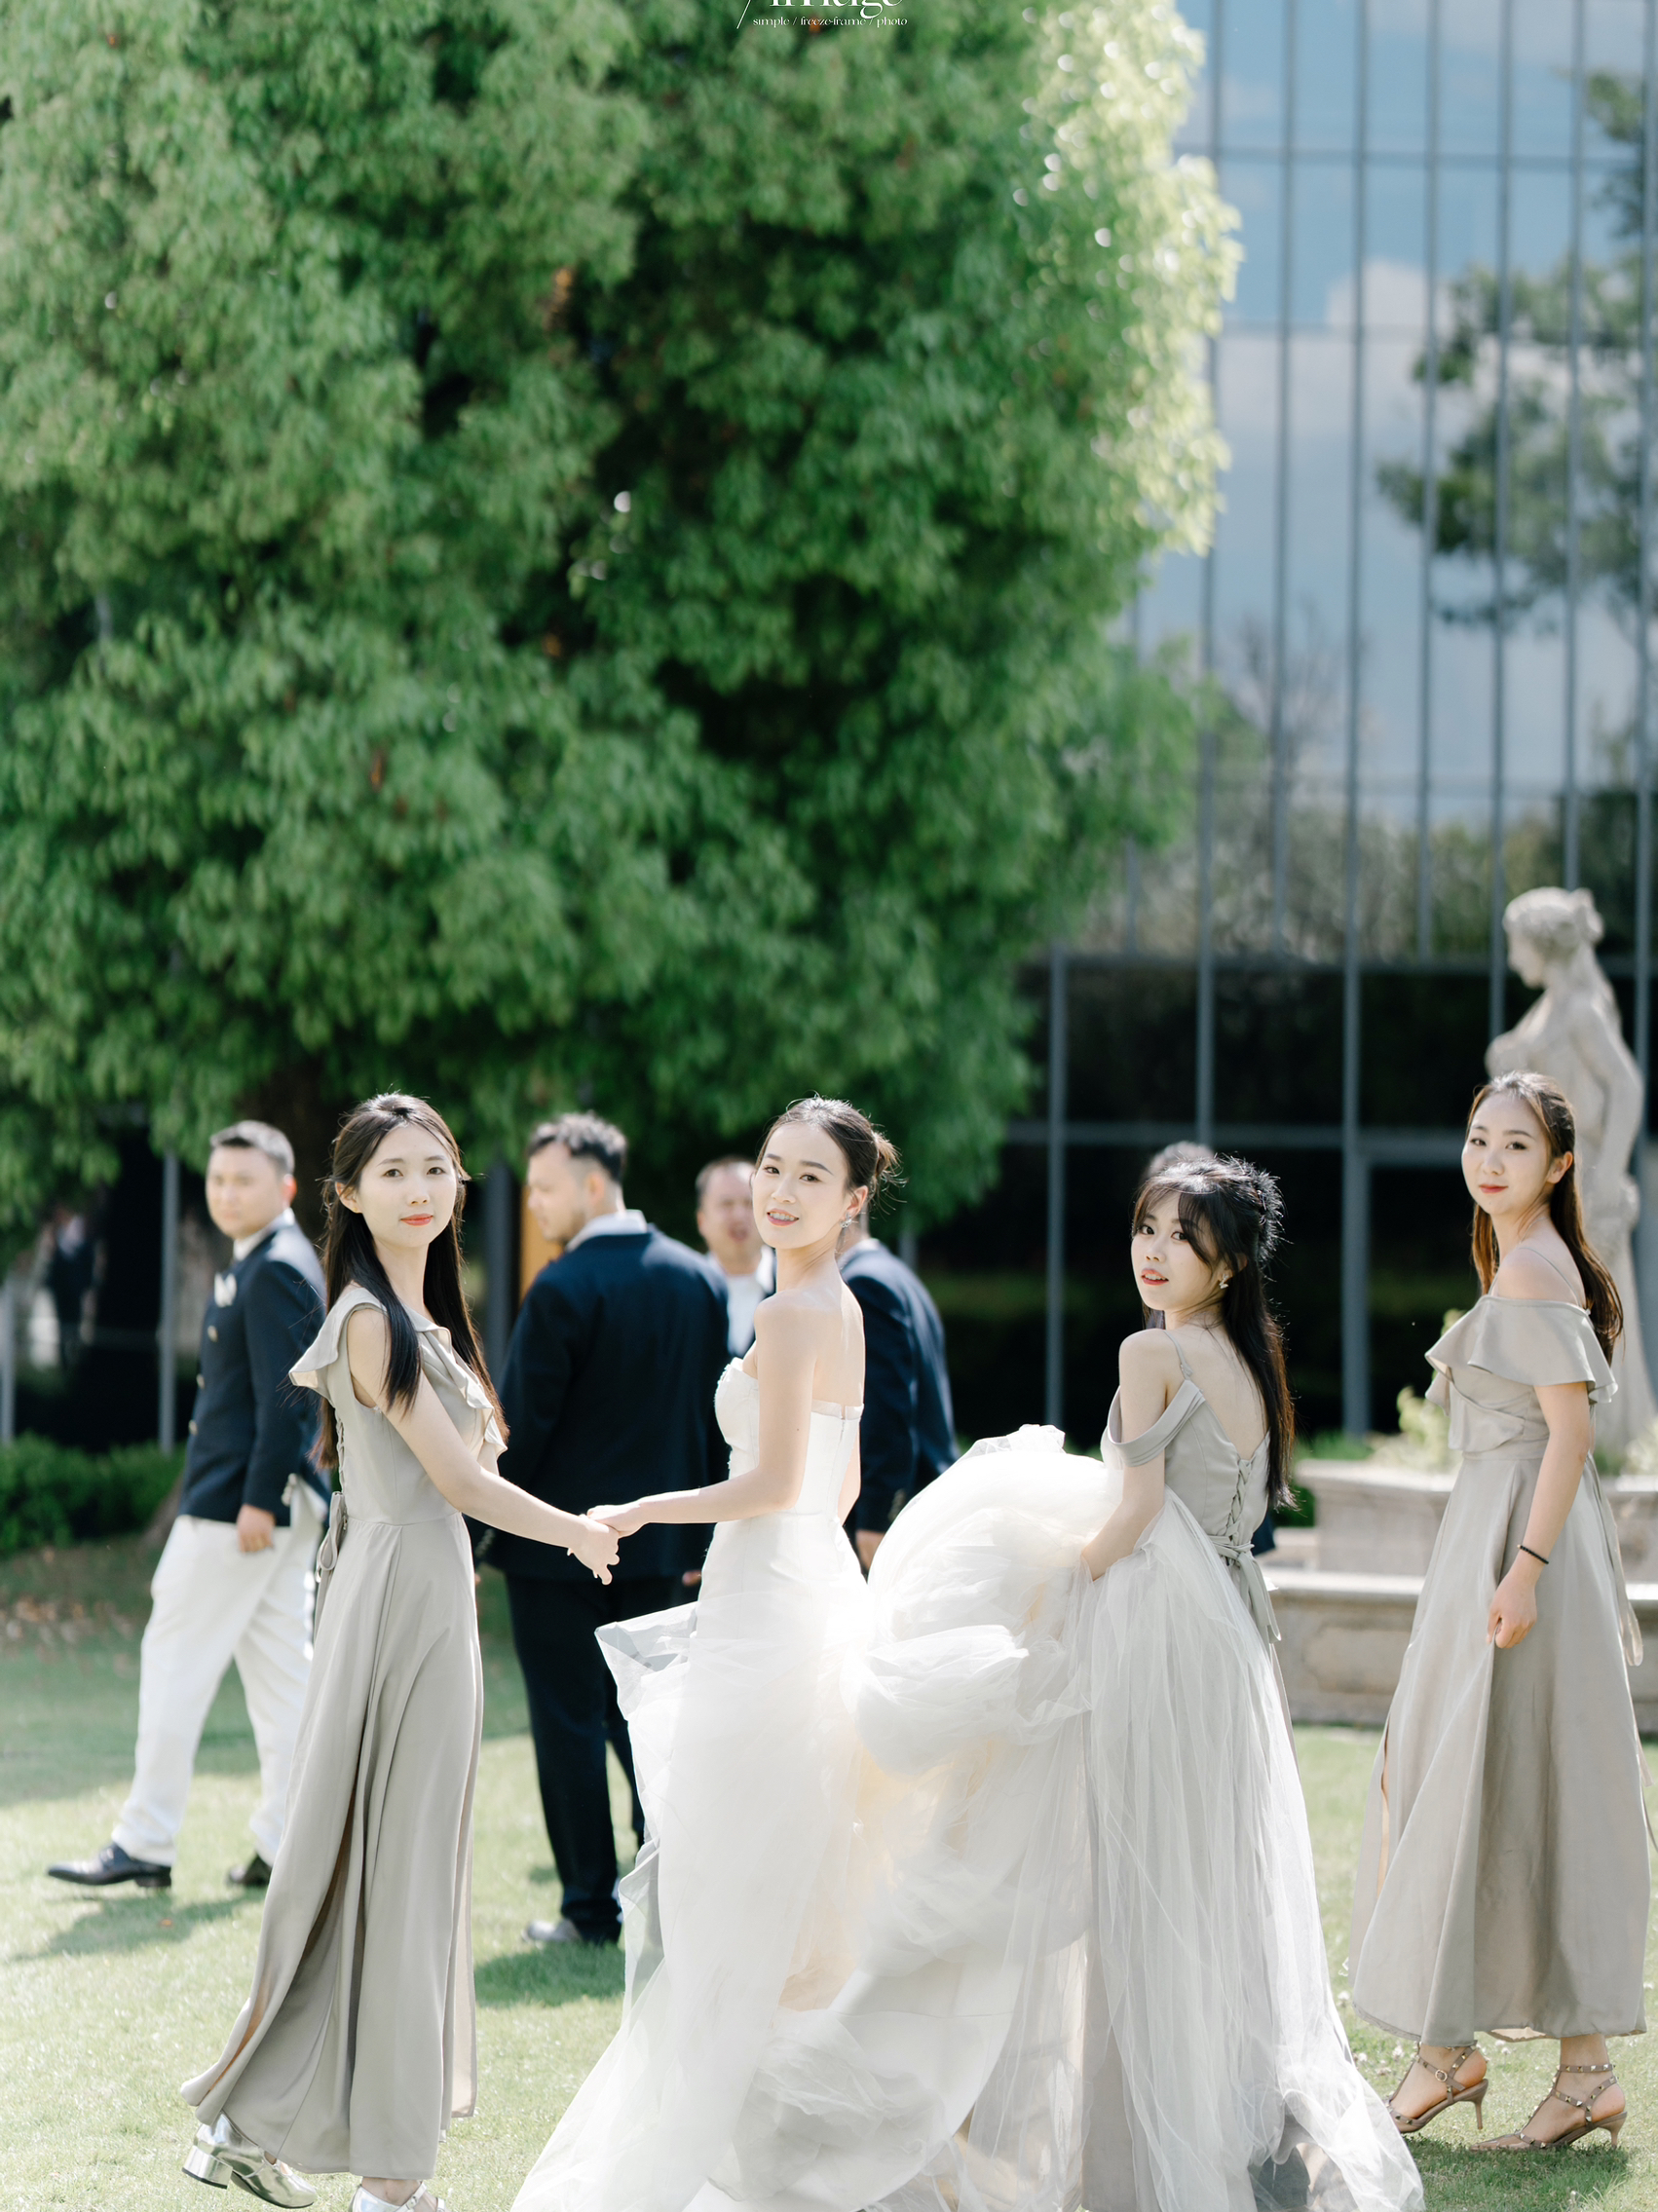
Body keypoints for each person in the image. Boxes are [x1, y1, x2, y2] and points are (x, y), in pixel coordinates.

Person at [181, 1093, 619, 2212]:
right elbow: (460, 1484)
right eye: (392, 1172)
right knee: (392, 1875)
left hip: (424, 1593)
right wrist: (574, 1531)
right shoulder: (369, 1320)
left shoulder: (424, 1316)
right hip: (399, 1602)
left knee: (408, 1875)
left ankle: (333, 2149)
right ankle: (371, 2169)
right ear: (347, 1195)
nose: (419, 1189)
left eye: (434, 1168)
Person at [510, 1096, 881, 2212]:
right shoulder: (838, 1304)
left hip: (767, 1590)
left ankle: (734, 2123)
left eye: (809, 1177)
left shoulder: (790, 1313)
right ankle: (777, 2117)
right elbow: (839, 1486)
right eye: (770, 1168)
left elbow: (771, 1482)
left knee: (734, 1864)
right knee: (788, 1858)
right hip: (808, 1579)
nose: (778, 1192)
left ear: (853, 1200)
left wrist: (642, 1508)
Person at [1351, 1072, 1648, 2155]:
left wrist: (1521, 1572)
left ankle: (1471, 2058)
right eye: (1478, 1138)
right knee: (1496, 1779)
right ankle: (1539, 2067)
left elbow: (1570, 1436)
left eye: (1514, 1145)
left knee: (1482, 1777)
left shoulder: (1529, 1265)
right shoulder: (1521, 1257)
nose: (1488, 1159)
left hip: (1519, 1549)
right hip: (1500, 1541)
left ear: (1558, 1164)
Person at [48, 1121, 326, 1895]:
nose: (226, 1192)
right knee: (283, 1679)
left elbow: (291, 1401)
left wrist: (259, 1501)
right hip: (255, 1504)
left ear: (285, 1186)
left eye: (244, 1179)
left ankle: (145, 1839)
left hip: (240, 1508)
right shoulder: (267, 1258)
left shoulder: (275, 1265)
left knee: (175, 1658)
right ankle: (292, 1840)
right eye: (218, 1179)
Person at [487, 1112, 730, 1950]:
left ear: (594, 1183)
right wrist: (700, 1541)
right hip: (661, 1547)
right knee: (652, 1722)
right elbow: (709, 1422)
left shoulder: (561, 1287)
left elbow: (521, 1433)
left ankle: (589, 1907)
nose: (535, 1202)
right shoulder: (699, 1279)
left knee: (568, 1722)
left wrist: (480, 1529)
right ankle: (674, 1893)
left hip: (555, 1549)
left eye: (546, 1187)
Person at [837, 1197, 955, 1570]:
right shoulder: (895, 1274)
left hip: (886, 1520)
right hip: (923, 1499)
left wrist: (877, 1514)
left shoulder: (864, 1285)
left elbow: (886, 1407)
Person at [696, 1154, 774, 1353]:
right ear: (701, 1221)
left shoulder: (795, 1286)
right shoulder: (682, 1290)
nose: (739, 1216)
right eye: (727, 1204)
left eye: (749, 1203)